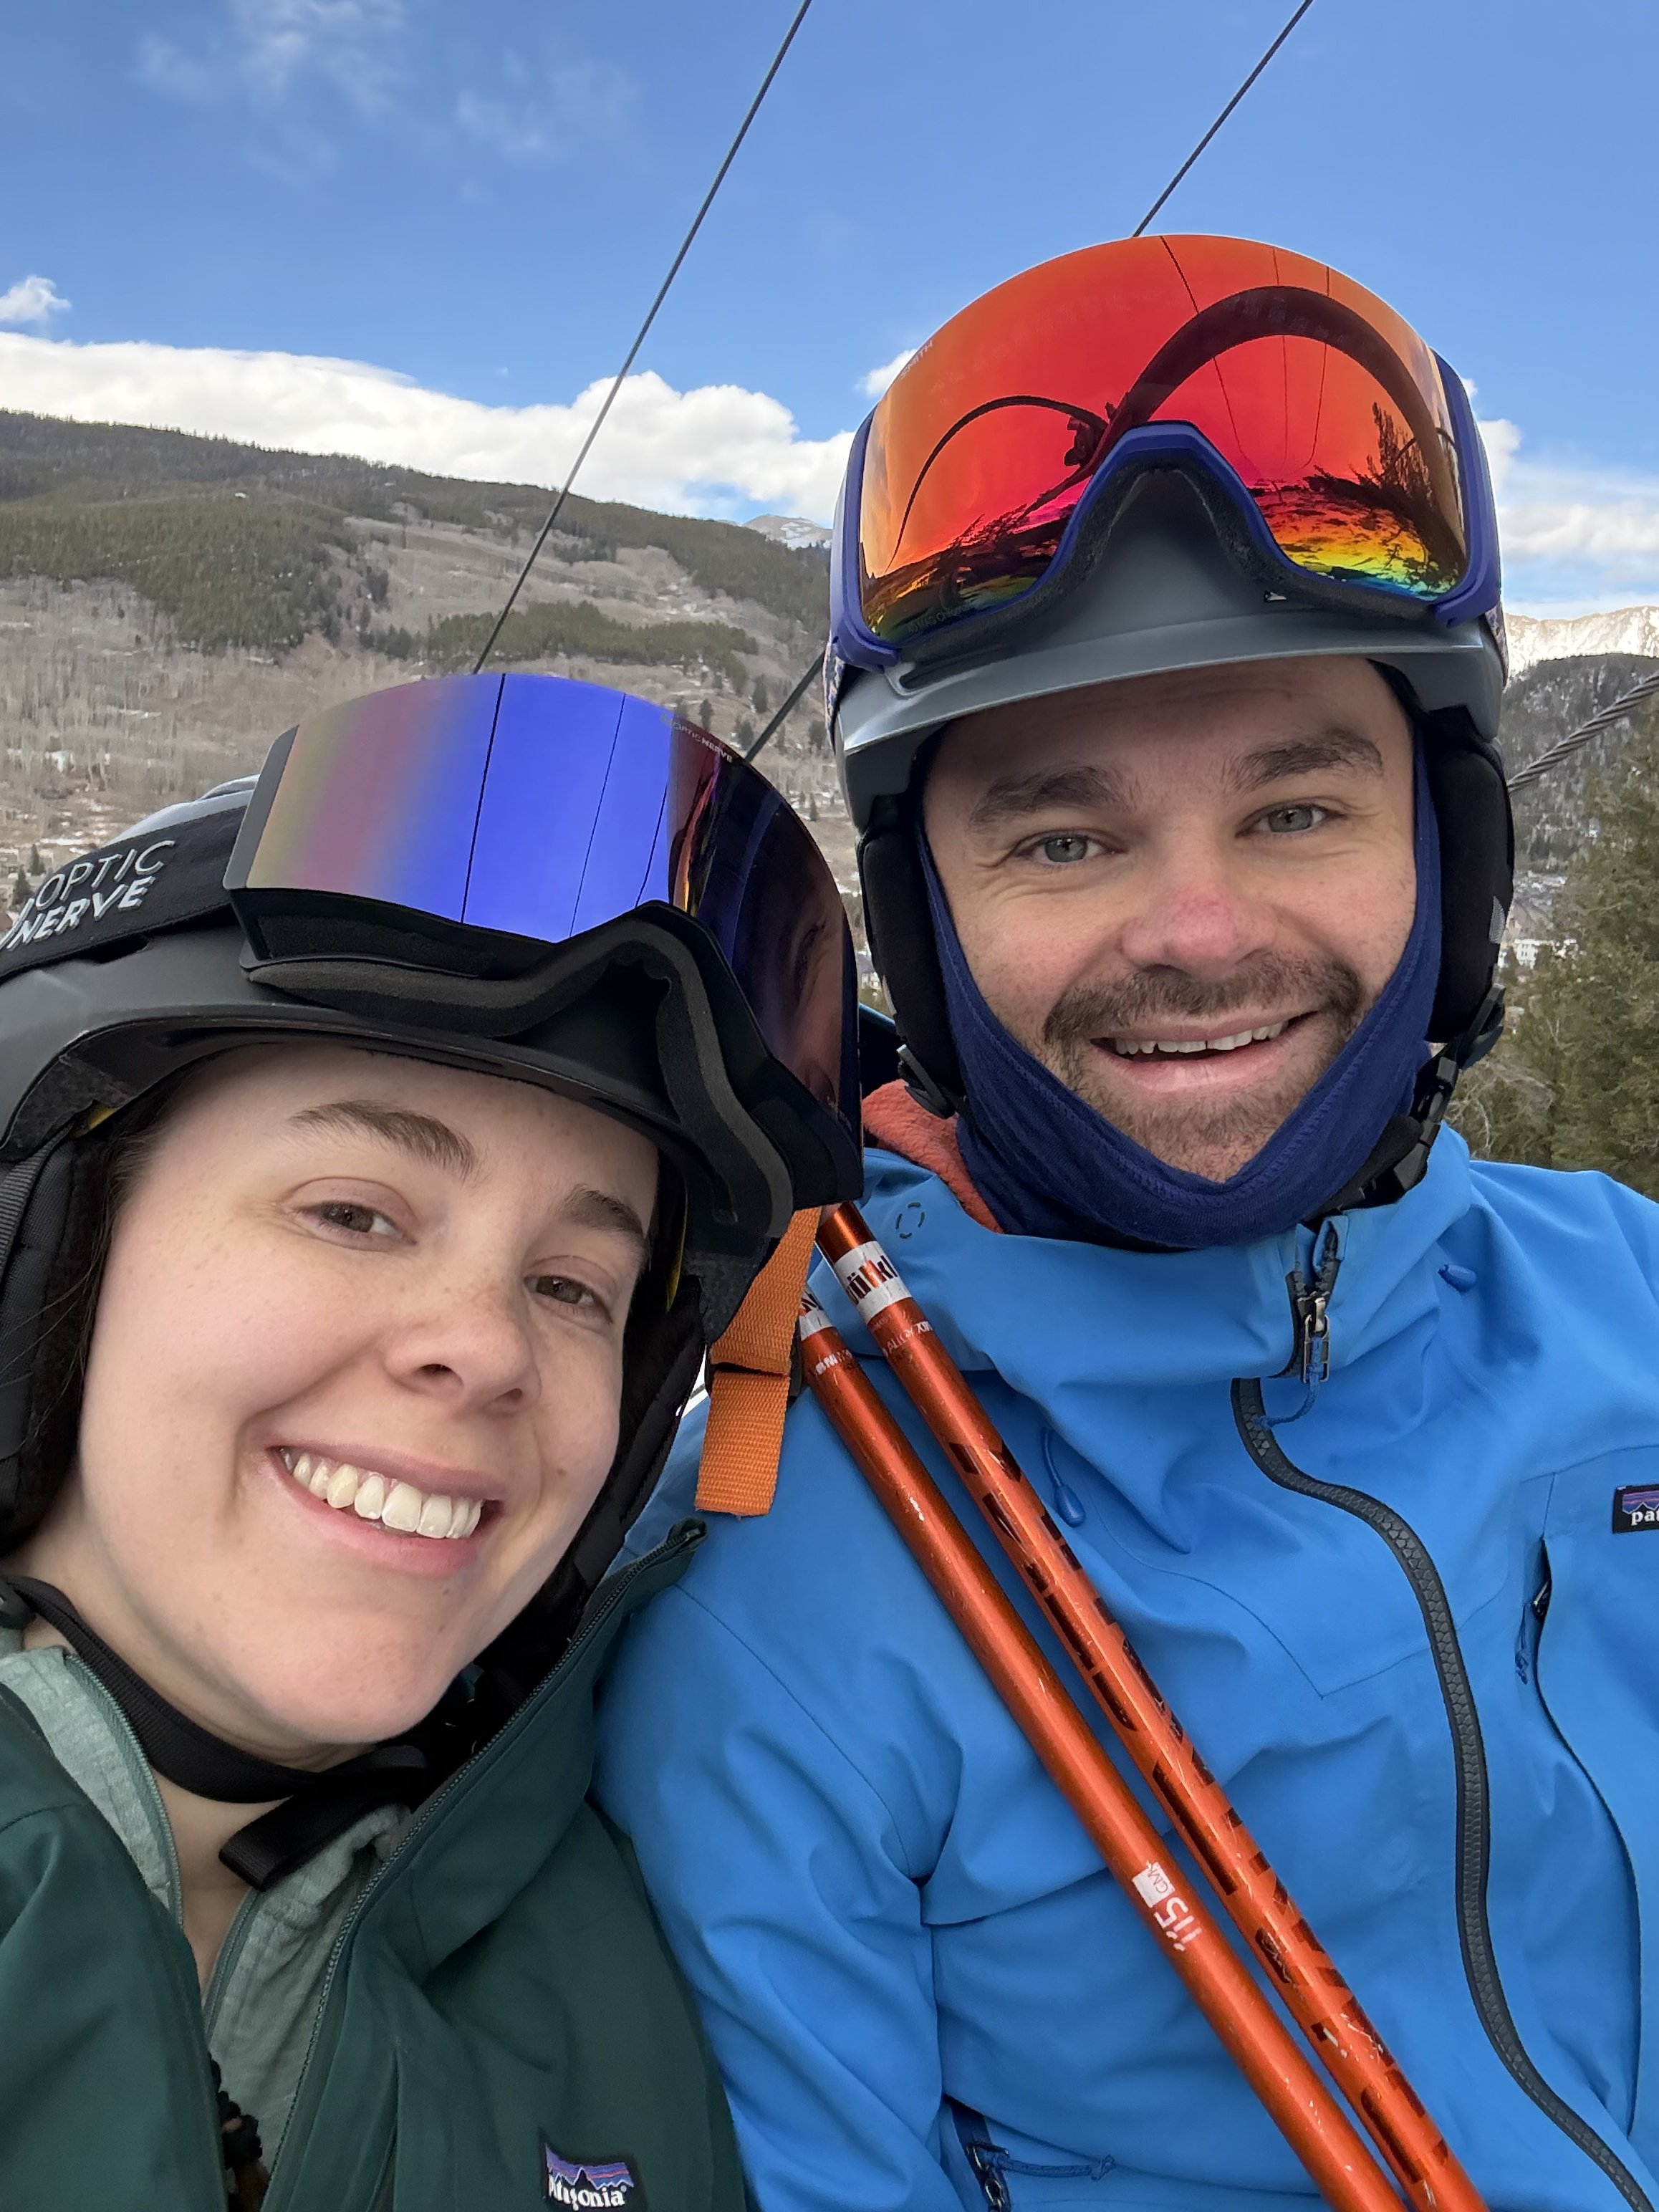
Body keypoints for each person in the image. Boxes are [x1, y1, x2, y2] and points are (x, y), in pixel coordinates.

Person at [595, 236, 1659, 2211]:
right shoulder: (783, 1568)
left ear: (1448, 863)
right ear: (926, 921)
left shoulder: (1624, 1294)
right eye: (1065, 837)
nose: (1194, 932)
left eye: (1294, 809)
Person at [0, 670, 860, 2211]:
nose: (484, 1346)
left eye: (572, 1283)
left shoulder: (625, 1988)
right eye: (354, 1210)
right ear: (62, 1252)